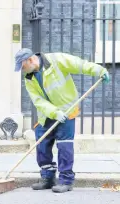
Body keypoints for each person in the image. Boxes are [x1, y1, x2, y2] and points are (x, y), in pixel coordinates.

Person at [14, 49, 109, 193]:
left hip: (67, 112)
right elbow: (37, 100)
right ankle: (47, 177)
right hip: (46, 115)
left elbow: (80, 65)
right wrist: (54, 112)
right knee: (42, 146)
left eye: (22, 66)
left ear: (31, 60)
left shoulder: (57, 60)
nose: (22, 70)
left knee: (64, 147)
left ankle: (66, 180)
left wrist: (99, 70)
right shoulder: (29, 78)